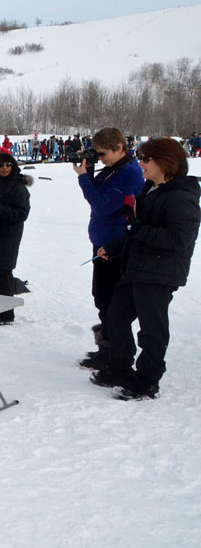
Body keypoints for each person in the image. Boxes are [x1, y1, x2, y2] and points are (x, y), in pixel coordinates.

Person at [89, 138, 200, 399]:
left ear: (166, 162)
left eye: (146, 159)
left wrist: (139, 229)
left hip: (161, 271)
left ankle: (148, 379)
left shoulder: (182, 198)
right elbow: (136, 229)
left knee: (151, 327)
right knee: (115, 316)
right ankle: (120, 368)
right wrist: (114, 247)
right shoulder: (151, 189)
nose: (140, 164)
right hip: (137, 266)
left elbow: (178, 240)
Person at [74, 127, 145, 366]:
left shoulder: (129, 174)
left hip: (116, 246)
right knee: (102, 297)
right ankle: (107, 349)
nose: (101, 158)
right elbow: (97, 195)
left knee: (111, 301)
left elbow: (102, 206)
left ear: (119, 148)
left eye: (103, 154)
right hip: (103, 242)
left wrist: (84, 177)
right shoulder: (112, 170)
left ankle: (115, 354)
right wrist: (90, 170)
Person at [0, 152, 32, 325]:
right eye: (0, 165)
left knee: (2, 272)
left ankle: (4, 314)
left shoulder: (18, 187)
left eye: (7, 165)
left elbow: (21, 214)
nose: (4, 168)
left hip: (9, 235)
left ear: (13, 166)